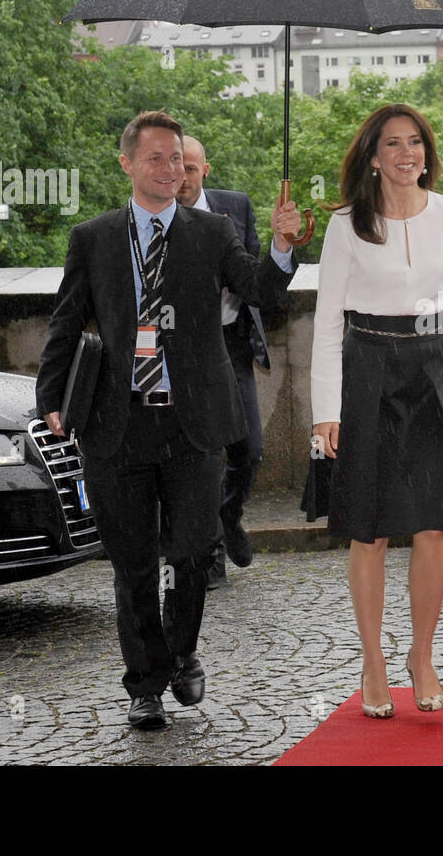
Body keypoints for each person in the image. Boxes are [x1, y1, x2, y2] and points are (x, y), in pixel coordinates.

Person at [36, 111, 300, 730]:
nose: (169, 169)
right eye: (155, 158)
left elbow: (261, 289)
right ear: (127, 163)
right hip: (117, 423)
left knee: (190, 553)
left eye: (176, 158)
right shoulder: (93, 238)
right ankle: (145, 685)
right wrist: (50, 395)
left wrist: (284, 247)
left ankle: (182, 652)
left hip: (193, 424)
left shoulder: (211, 232)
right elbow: (65, 323)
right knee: (132, 564)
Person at [310, 103, 443, 719]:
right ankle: (373, 660)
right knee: (371, 529)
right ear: (373, 157)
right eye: (392, 144)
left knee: (435, 523)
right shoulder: (345, 225)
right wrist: (324, 409)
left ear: (426, 153)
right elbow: (328, 320)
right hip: (368, 372)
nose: (406, 154)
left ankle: (423, 655)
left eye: (415, 143)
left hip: (433, 370)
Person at [175, 135, 268, 588]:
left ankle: (229, 516)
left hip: (232, 344)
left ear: (205, 169)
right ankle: (210, 555)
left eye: (191, 167)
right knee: (202, 457)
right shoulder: (156, 216)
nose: (183, 177)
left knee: (248, 450)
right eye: (177, 167)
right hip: (186, 353)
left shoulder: (236, 207)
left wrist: (285, 248)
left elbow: (254, 278)